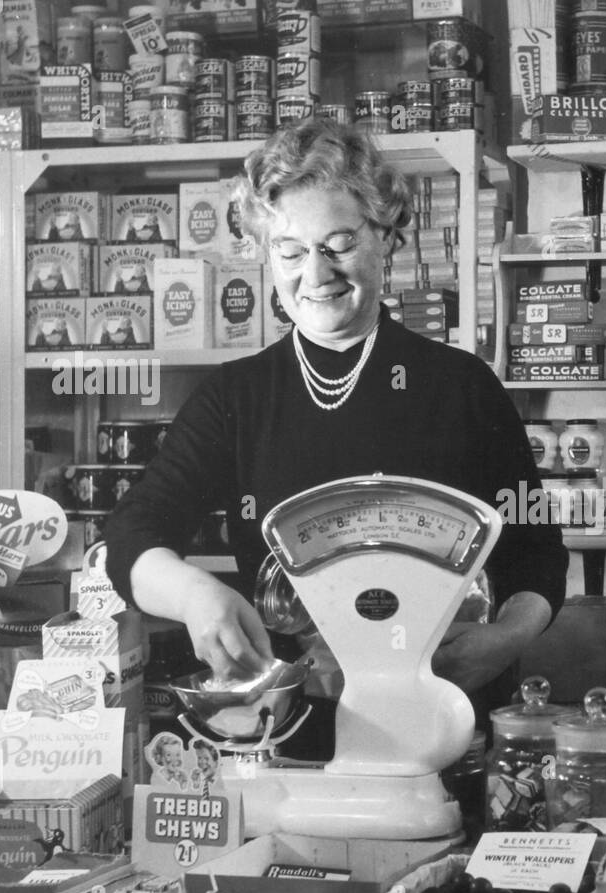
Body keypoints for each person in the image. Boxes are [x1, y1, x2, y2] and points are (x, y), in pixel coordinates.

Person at [104, 119, 567, 705]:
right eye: (291, 251)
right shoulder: (234, 399)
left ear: (387, 236)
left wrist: (505, 638)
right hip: (294, 716)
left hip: (447, 715)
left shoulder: (463, 387)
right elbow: (131, 531)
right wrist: (194, 593)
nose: (316, 275)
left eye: (339, 245)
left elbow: (537, 554)